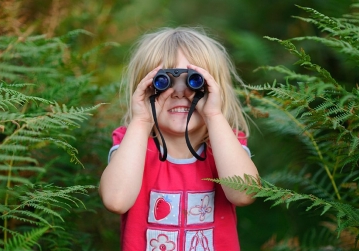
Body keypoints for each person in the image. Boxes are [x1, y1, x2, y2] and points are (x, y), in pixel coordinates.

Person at [99, 26, 259, 251]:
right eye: (163, 81)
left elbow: (245, 193)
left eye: (195, 81)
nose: (178, 92)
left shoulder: (225, 146)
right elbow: (116, 200)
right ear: (143, 89)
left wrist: (213, 115)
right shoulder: (132, 144)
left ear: (215, 89)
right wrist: (142, 121)